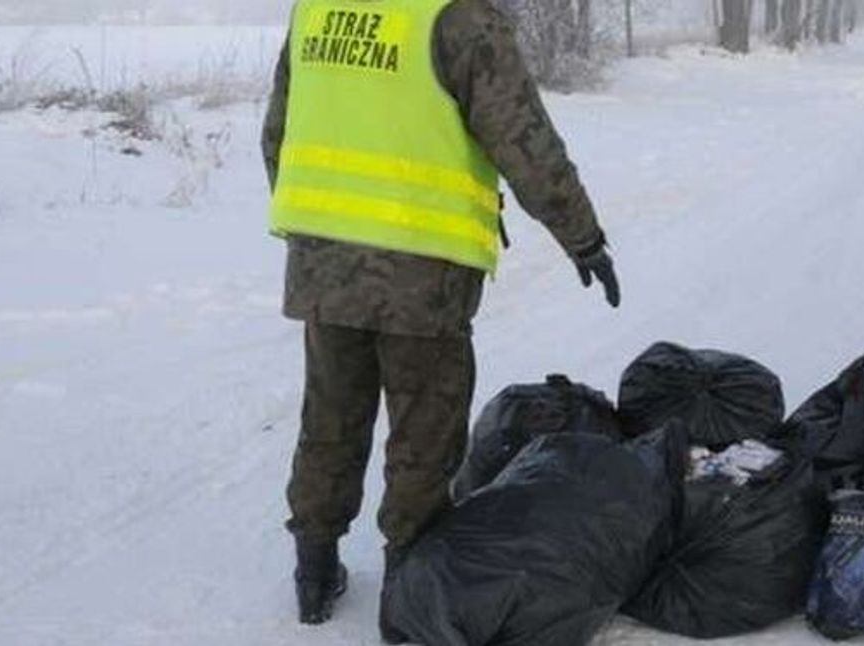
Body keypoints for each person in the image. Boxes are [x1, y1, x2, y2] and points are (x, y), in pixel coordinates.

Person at [261, 0, 620, 635]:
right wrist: (582, 235)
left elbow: (278, 131)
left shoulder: (316, 9)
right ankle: (409, 580)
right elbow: (522, 136)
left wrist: (323, 228)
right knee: (425, 428)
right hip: (422, 267)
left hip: (324, 259)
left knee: (330, 413)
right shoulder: (456, 15)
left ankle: (313, 571)